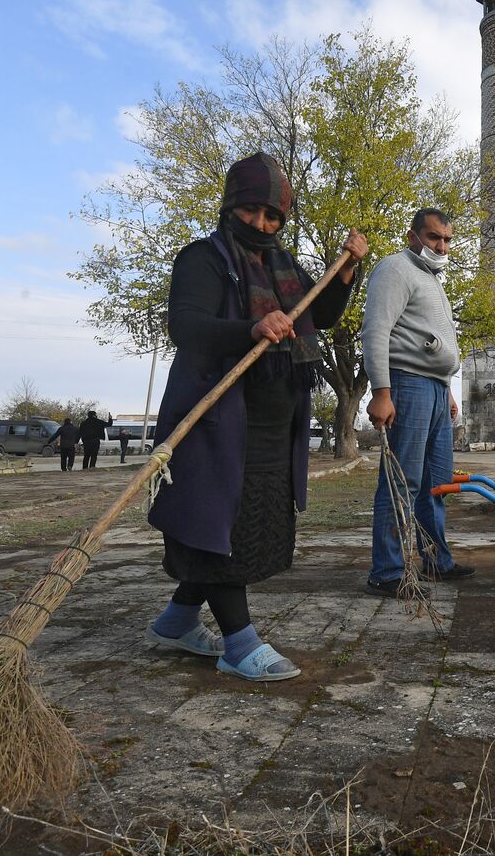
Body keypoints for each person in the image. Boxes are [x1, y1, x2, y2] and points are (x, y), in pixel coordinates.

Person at [145, 152, 367, 682]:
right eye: (251, 212)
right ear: (229, 205)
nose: (262, 225)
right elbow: (188, 326)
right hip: (218, 418)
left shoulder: (284, 265)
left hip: (273, 423)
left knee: (242, 524)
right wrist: (249, 327)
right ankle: (239, 644)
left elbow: (323, 314)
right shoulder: (202, 258)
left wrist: (347, 270)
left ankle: (176, 621)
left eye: (273, 216)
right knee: (218, 522)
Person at [362, 208, 473, 597]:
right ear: (413, 236)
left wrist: (447, 388)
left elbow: (431, 339)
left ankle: (436, 560)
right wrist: (381, 391)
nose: (440, 246)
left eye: (446, 240)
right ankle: (388, 572)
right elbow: (376, 331)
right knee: (402, 480)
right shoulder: (395, 269)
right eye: (432, 238)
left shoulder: (433, 279)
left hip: (436, 389)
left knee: (436, 483)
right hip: (407, 385)